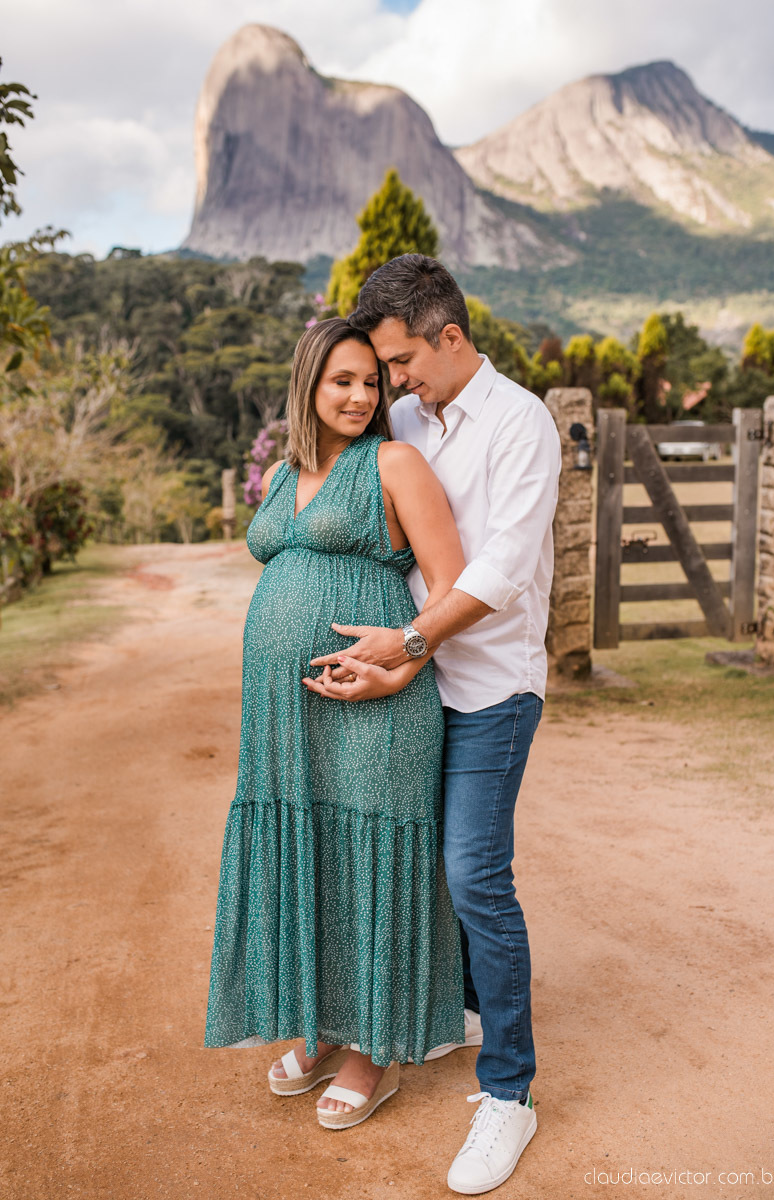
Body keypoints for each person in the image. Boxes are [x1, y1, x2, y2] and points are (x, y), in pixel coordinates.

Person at [304, 255, 561, 1192]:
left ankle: (510, 1094)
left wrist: (403, 645)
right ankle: (443, 1012)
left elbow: (498, 572)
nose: (393, 381)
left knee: (471, 874)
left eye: (403, 359)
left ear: (450, 336)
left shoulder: (520, 422)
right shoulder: (407, 418)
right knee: (413, 862)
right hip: (406, 687)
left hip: (488, 687)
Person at [204, 317, 469, 1130]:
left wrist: (400, 670)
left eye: (370, 382)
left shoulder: (394, 462)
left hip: (377, 709)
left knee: (367, 855)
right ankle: (324, 1027)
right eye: (341, 382)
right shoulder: (287, 475)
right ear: (308, 389)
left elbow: (453, 586)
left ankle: (374, 1054)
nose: (359, 396)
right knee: (315, 856)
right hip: (287, 725)